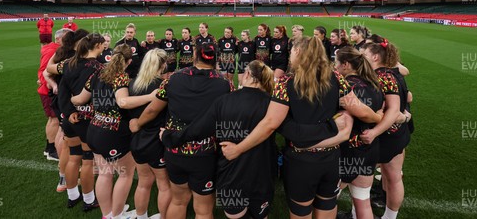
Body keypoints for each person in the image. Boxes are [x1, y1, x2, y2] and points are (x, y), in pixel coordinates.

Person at [220, 37, 354, 218]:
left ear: (298, 53)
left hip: (302, 161)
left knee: (301, 210)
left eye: (291, 51)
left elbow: (270, 124)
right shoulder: (337, 77)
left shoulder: (285, 83)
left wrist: (238, 149)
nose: (290, 55)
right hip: (331, 157)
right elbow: (355, 109)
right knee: (327, 203)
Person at [161, 60, 277, 219]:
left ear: (248, 74)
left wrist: (169, 136)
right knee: (261, 215)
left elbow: (197, 130)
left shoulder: (225, 101)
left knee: (235, 215)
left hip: (231, 175)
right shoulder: (273, 104)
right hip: (262, 173)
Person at [132, 43, 233, 219]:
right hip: (205, 153)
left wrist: (137, 124)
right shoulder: (225, 84)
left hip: (174, 151)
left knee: (178, 200)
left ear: (194, 55)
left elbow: (152, 110)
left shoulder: (173, 79)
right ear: (215, 58)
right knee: (203, 209)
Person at [71, 44, 137, 219]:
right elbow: (123, 103)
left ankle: (107, 214)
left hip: (94, 129)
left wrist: (65, 99)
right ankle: (116, 215)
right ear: (128, 61)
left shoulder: (97, 74)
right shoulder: (121, 77)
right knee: (126, 174)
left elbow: (79, 99)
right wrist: (153, 96)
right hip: (112, 132)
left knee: (105, 173)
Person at [48, 33, 105, 211]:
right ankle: (89, 200)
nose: (104, 47)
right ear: (97, 46)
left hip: (69, 118)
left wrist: (69, 112)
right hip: (86, 119)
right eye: (103, 45)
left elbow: (62, 90)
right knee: (87, 161)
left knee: (74, 157)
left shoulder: (69, 64)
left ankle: (72, 196)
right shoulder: (99, 67)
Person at [361, 40, 411, 219]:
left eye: (364, 55)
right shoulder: (396, 74)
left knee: (360, 178)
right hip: (398, 134)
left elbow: (392, 111)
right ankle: (390, 217)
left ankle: (357, 213)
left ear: (375, 57)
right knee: (394, 177)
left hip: (381, 137)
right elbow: (408, 98)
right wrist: (405, 116)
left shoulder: (378, 77)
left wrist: (374, 131)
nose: (361, 59)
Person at [335, 47, 385, 219]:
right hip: (369, 150)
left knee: (327, 202)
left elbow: (361, 113)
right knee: (363, 202)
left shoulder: (346, 86)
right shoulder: (374, 83)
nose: (335, 66)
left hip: (347, 152)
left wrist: (377, 119)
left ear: (346, 65)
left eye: (337, 62)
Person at [123, 49, 172, 219]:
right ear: (163, 64)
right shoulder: (162, 86)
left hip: (137, 140)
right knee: (164, 185)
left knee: (144, 183)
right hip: (155, 140)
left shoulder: (133, 83)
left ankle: (141, 216)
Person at [37, 28, 71, 161]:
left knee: (54, 119)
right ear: (59, 39)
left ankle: (49, 148)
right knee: (54, 120)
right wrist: (49, 84)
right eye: (68, 38)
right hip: (48, 91)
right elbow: (43, 71)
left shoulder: (55, 49)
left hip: (50, 90)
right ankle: (51, 150)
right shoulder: (53, 51)